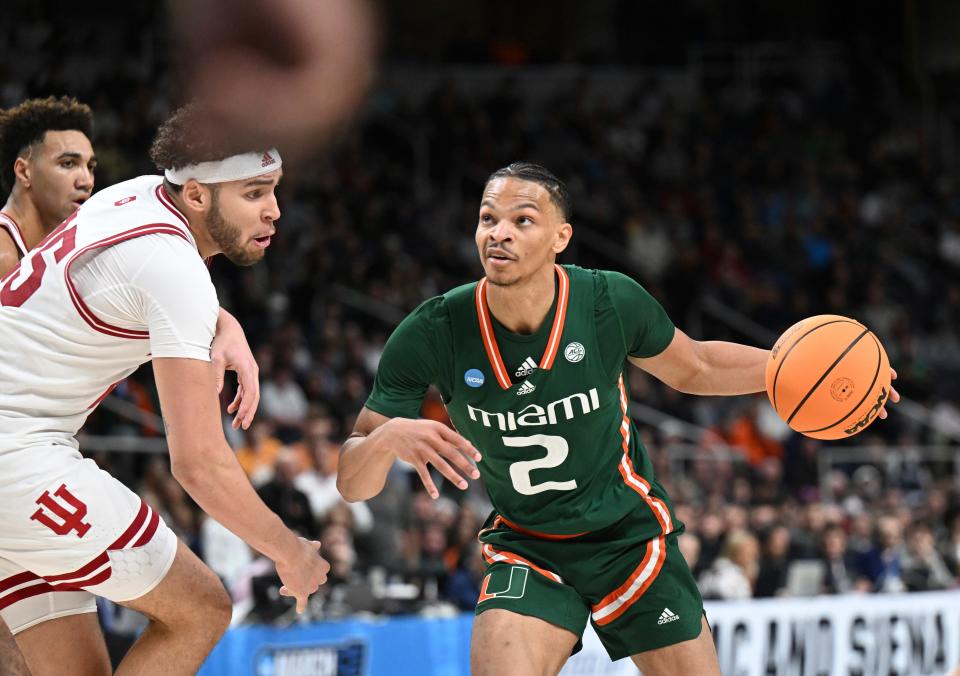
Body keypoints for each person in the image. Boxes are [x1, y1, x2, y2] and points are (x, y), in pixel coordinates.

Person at [337, 162, 900, 675]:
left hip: (629, 537)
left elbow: (696, 366)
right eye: (488, 218)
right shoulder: (434, 329)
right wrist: (385, 438)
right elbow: (351, 482)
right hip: (528, 544)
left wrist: (801, 370)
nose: (498, 232)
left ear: (561, 237)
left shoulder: (607, 301)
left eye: (522, 219)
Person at [0, 104, 329, 675]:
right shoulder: (175, 269)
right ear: (198, 196)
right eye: (253, 193)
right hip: (18, 458)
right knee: (200, 609)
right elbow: (198, 464)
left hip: (19, 457)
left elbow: (123, 278)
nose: (274, 210)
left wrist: (224, 324)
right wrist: (289, 551)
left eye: (274, 189)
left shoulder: (136, 194)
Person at [0, 96, 96, 277]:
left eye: (90, 167)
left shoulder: (69, 249)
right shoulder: (4, 255)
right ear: (24, 172)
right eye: (68, 163)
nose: (87, 181)